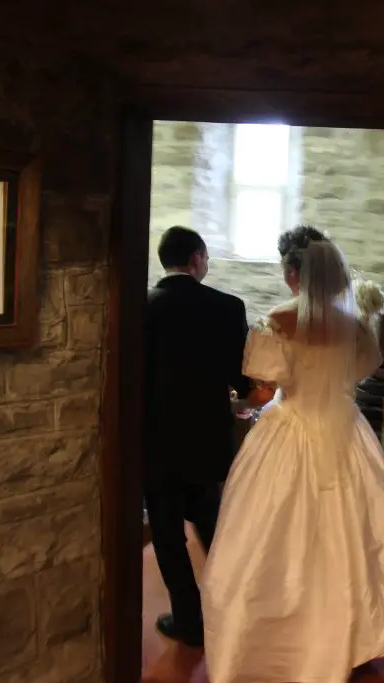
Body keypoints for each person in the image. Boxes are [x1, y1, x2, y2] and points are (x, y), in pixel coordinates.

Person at [201, 226, 384, 683]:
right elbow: (357, 372)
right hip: (344, 431)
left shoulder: (278, 320)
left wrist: (245, 401)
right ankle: (340, 637)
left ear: (295, 275)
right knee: (345, 538)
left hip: (289, 430)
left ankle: (268, 640)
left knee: (270, 538)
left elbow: (266, 386)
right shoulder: (354, 327)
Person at [144, 226, 251, 648]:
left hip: (156, 445)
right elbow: (240, 380)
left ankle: (189, 621)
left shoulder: (143, 307)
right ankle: (236, 608)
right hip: (206, 443)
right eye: (205, 258)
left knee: (168, 539)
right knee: (216, 530)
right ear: (198, 258)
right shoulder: (227, 307)